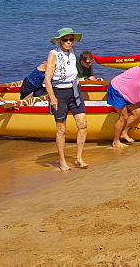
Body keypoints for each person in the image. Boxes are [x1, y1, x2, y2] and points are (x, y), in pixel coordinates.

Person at [44, 27, 89, 171]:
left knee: (82, 124)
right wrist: (52, 98)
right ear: (59, 41)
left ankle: (78, 158)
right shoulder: (53, 54)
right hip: (59, 92)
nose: (69, 42)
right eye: (65, 40)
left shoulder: (73, 52)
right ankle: (62, 161)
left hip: (74, 91)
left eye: (71, 39)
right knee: (61, 129)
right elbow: (47, 78)